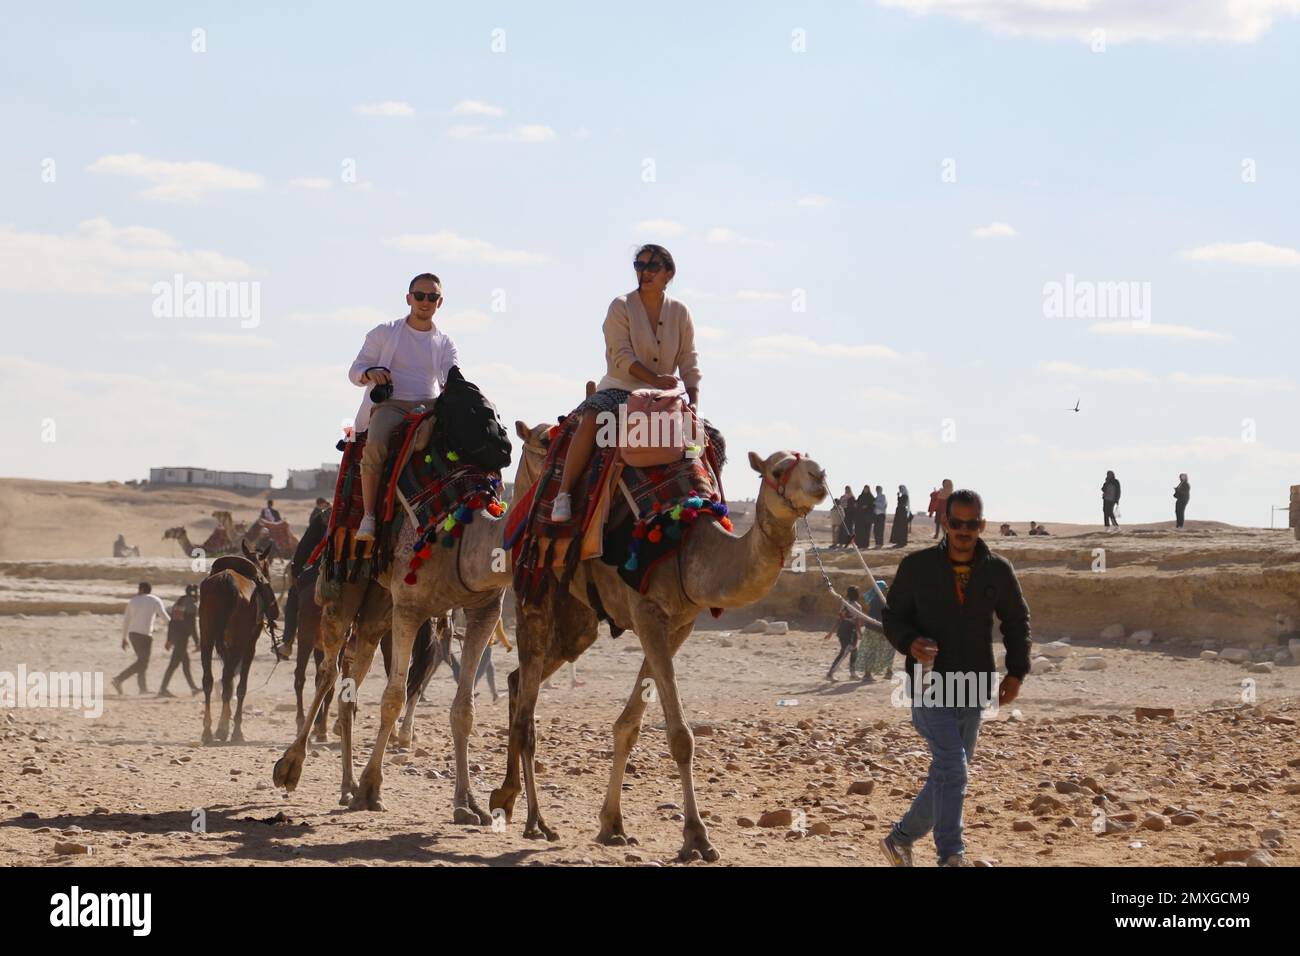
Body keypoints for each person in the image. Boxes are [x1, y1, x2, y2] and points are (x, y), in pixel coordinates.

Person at [879, 489, 1031, 867]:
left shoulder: (997, 569)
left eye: (972, 524)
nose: (964, 531)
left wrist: (1017, 672)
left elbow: (1016, 621)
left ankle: (899, 841)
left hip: (976, 685)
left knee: (947, 774)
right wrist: (910, 641)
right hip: (929, 685)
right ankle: (952, 855)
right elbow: (892, 618)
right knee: (953, 767)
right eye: (956, 523)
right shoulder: (916, 566)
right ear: (945, 522)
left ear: (982, 524)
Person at [551, 244, 701, 521]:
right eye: (639, 265)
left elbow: (689, 359)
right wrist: (655, 379)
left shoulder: (681, 312)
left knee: (709, 438)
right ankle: (564, 494)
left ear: (669, 273)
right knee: (593, 417)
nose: (645, 272)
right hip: (620, 388)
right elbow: (621, 355)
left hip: (663, 398)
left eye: (652, 266)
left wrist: (692, 397)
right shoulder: (620, 306)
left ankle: (710, 503)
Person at [349, 273, 460, 541]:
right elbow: (355, 371)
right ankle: (369, 516)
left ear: (439, 302)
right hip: (392, 404)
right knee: (374, 445)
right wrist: (371, 373)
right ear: (408, 298)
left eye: (431, 297)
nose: (425, 301)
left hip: (430, 406)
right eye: (420, 296)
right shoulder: (384, 332)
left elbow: (451, 375)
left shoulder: (444, 342)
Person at [113, 582, 170, 695]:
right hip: (145, 635)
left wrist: (124, 638)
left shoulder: (133, 600)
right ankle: (118, 679)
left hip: (133, 634)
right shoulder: (154, 600)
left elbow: (126, 621)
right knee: (143, 661)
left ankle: (142, 688)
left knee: (142, 661)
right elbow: (164, 616)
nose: (137, 591)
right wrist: (174, 629)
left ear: (142, 589)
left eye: (138, 589)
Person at [158, 584, 201, 697]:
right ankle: (163, 689)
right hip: (181, 639)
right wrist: (197, 642)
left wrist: (169, 639)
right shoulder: (191, 604)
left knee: (185, 663)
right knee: (173, 664)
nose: (198, 594)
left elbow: (172, 623)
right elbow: (192, 625)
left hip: (176, 637)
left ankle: (193, 688)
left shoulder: (179, 601)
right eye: (196, 592)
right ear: (193, 593)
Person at [853, 579, 895, 682]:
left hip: (870, 627)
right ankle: (883, 672)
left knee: (871, 650)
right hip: (879, 629)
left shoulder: (873, 599)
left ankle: (878, 673)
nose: (886, 590)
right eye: (885, 588)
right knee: (886, 649)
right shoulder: (882, 600)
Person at [824, 585, 863, 680]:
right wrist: (860, 633)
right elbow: (857, 622)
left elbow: (839, 619)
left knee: (853, 650)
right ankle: (830, 674)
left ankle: (852, 673)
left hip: (842, 629)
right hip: (850, 630)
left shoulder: (844, 604)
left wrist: (831, 632)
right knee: (844, 652)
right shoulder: (857, 606)